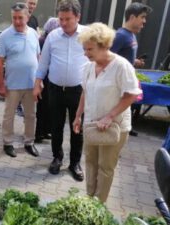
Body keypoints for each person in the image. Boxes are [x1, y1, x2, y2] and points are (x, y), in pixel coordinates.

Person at [73, 22, 142, 202]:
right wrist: (78, 116)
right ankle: (89, 199)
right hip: (92, 125)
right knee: (90, 162)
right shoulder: (89, 66)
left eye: (90, 49)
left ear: (104, 46)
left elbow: (132, 95)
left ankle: (99, 204)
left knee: (105, 166)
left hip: (114, 126)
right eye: (85, 49)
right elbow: (85, 92)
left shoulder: (121, 66)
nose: (86, 53)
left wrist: (109, 116)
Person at [34, 0, 88, 181]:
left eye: (68, 19)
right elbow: (44, 62)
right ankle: (57, 157)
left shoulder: (87, 35)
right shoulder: (53, 36)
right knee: (56, 126)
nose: (63, 23)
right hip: (55, 89)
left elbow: (96, 62)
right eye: (61, 19)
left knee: (77, 127)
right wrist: (37, 83)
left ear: (78, 17)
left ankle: (75, 163)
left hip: (79, 92)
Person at [0, 2, 40, 158]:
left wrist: (39, 82)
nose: (17, 21)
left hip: (30, 85)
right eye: (14, 18)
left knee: (31, 115)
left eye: (20, 18)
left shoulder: (34, 34)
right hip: (12, 85)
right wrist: (0, 85)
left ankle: (29, 142)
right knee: (9, 115)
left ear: (27, 17)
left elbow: (38, 58)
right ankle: (8, 143)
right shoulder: (5, 36)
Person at [110, 2, 152, 137]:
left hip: (126, 84)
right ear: (132, 17)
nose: (144, 21)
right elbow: (108, 58)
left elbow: (123, 57)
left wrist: (135, 62)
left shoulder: (132, 35)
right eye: (142, 17)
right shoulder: (121, 35)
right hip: (118, 87)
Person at [34, 17, 59, 144]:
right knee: (43, 107)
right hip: (45, 78)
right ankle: (39, 133)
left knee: (48, 107)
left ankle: (44, 131)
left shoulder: (49, 38)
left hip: (50, 77)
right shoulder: (45, 40)